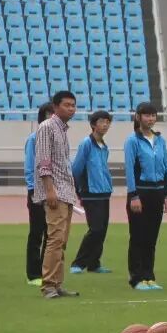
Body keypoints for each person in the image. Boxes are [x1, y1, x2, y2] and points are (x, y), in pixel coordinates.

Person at [33, 90, 80, 299]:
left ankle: (57, 283)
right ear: (55, 106)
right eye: (67, 105)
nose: (71, 109)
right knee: (55, 239)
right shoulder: (47, 127)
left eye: (73, 105)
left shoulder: (62, 129)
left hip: (66, 192)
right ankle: (49, 285)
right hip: (56, 192)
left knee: (62, 240)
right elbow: (44, 162)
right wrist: (49, 190)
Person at [124, 102, 167, 291]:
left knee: (151, 237)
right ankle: (136, 278)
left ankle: (149, 276)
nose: (150, 119)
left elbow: (165, 167)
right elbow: (130, 169)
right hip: (140, 192)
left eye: (153, 115)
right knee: (138, 236)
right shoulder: (132, 140)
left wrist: (166, 194)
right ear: (138, 117)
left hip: (157, 192)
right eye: (146, 115)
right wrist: (133, 195)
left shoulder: (160, 140)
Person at [70, 110, 114, 274]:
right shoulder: (86, 143)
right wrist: (78, 191)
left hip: (104, 192)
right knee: (95, 229)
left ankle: (94, 263)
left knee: (102, 230)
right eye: (102, 121)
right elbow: (76, 168)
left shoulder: (104, 146)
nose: (105, 125)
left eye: (108, 122)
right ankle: (78, 263)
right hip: (90, 192)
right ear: (93, 124)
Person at [24, 102, 55, 285]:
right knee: (37, 233)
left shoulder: (57, 138)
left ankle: (46, 271)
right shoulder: (34, 138)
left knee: (51, 234)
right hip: (37, 191)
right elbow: (29, 167)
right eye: (49, 114)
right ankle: (33, 275)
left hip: (54, 192)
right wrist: (33, 191)